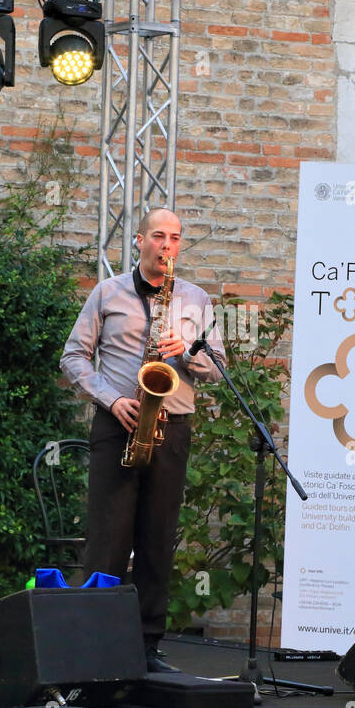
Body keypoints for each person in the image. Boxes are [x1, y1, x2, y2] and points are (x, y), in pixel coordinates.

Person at [60, 208, 224, 673]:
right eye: (158, 236)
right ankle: (93, 644)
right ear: (139, 241)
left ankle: (148, 647)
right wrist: (111, 400)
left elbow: (219, 368)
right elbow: (73, 357)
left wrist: (188, 352)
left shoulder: (195, 300)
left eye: (175, 238)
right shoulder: (107, 292)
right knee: (108, 539)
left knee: (157, 540)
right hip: (119, 423)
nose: (167, 245)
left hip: (171, 427)